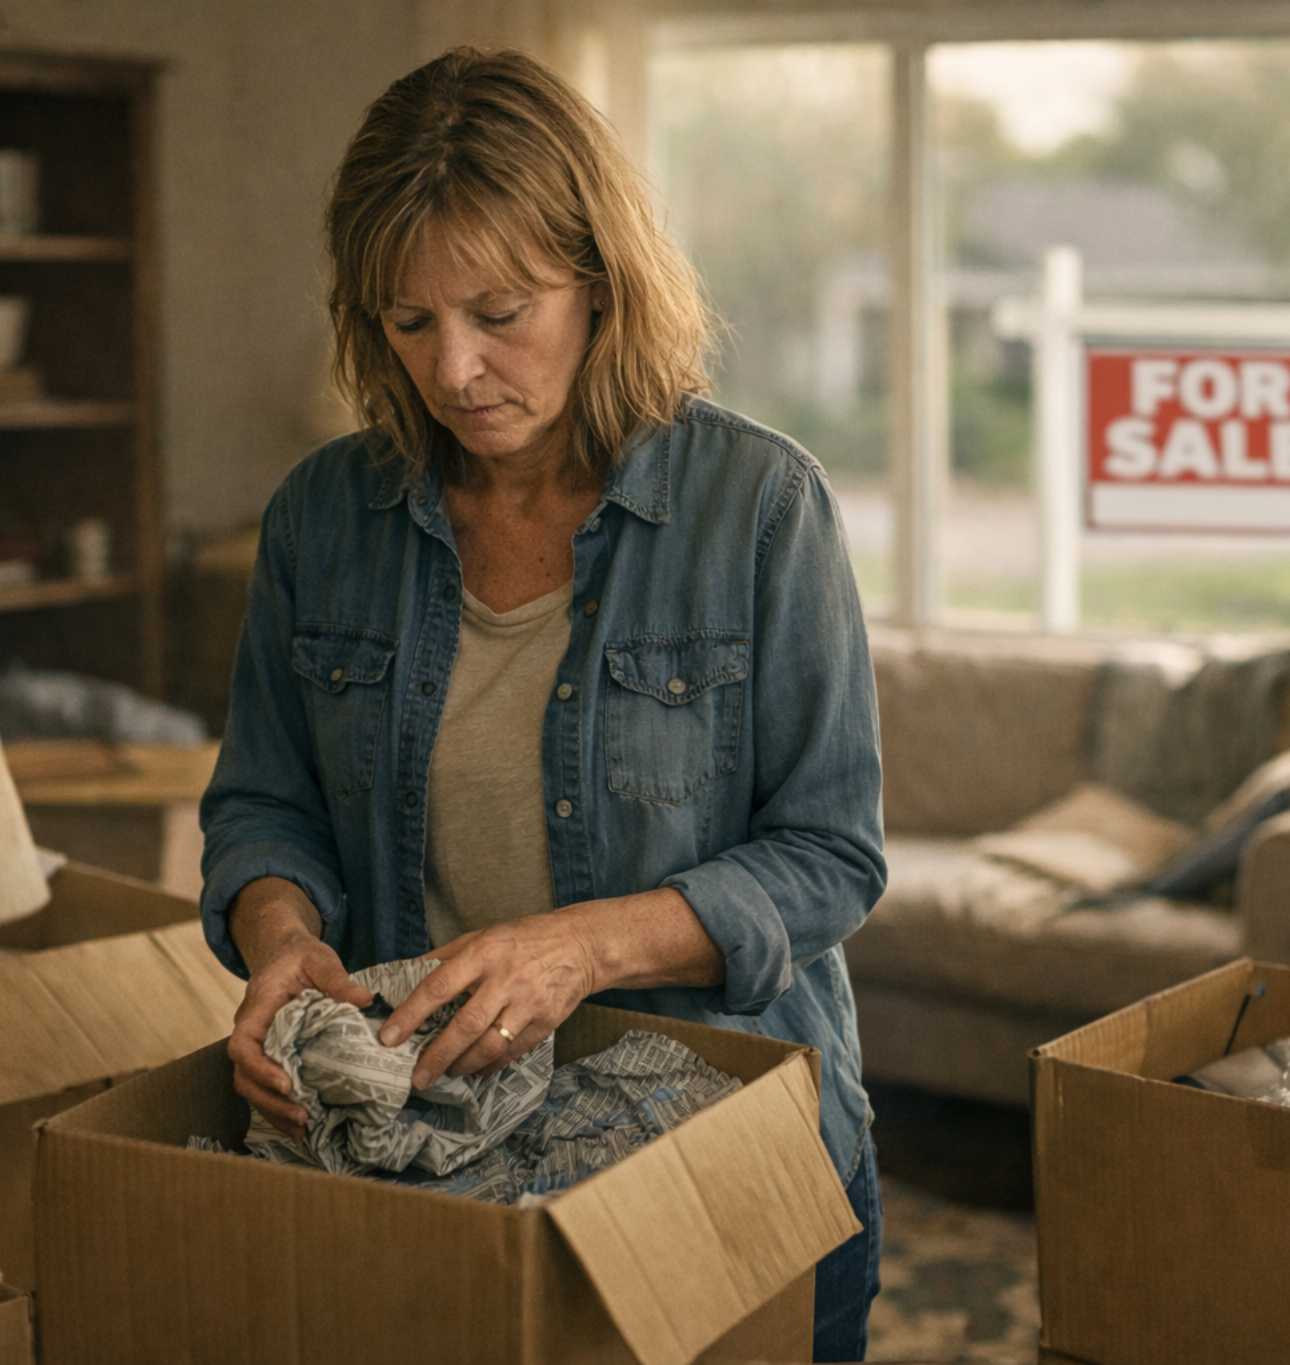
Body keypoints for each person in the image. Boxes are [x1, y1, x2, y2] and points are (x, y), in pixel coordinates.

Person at [200, 45, 886, 1362]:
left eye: (499, 311)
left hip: (724, 1151)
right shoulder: (321, 518)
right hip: (434, 1166)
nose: (453, 370)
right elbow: (265, 802)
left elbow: (831, 860)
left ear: (600, 284)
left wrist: (585, 947)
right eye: (410, 323)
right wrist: (281, 940)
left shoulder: (760, 509)